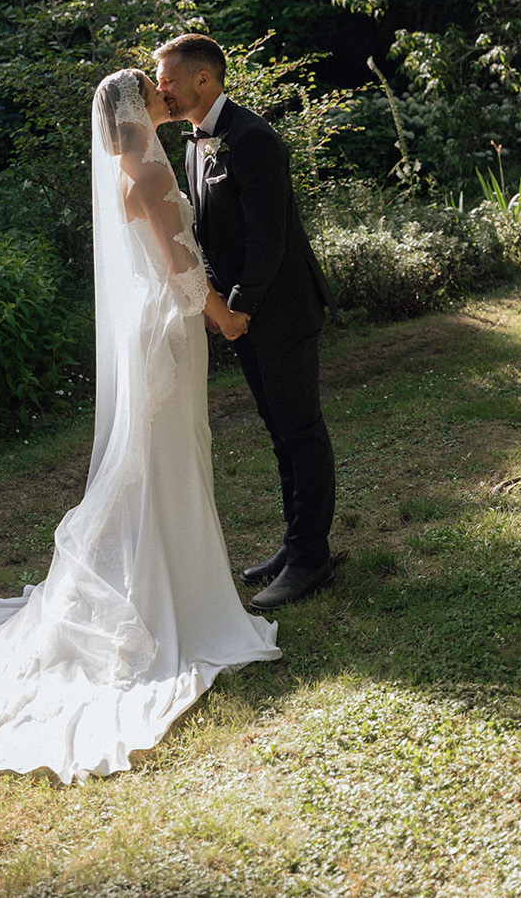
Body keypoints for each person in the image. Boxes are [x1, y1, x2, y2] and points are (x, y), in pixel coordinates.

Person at [0, 68, 279, 785]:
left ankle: (169, 580)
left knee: (161, 460)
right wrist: (226, 317)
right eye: (154, 93)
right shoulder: (143, 170)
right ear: (138, 107)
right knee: (161, 461)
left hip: (159, 327)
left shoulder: (133, 167)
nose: (166, 99)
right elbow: (178, 265)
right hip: (171, 328)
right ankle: (164, 596)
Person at [153, 34, 336, 612]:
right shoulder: (193, 145)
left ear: (202, 79)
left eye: (168, 79)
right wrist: (214, 305)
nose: (161, 89)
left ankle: (312, 558)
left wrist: (236, 308)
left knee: (300, 428)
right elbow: (206, 234)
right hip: (241, 311)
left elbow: (269, 240)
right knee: (279, 428)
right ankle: (294, 543)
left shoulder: (254, 139)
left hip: (277, 309)